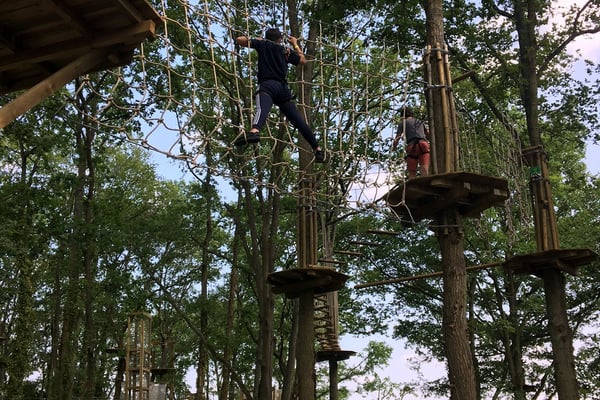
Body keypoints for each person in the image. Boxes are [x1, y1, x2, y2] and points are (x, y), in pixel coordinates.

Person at [235, 28, 325, 163]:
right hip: (282, 89)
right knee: (298, 121)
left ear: (267, 38)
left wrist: (257, 40)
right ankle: (317, 148)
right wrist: (295, 44)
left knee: (262, 109)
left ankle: (254, 131)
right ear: (279, 39)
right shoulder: (285, 50)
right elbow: (302, 60)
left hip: (267, 85)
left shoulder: (263, 44)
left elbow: (239, 40)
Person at [392, 107, 430, 179]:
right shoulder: (419, 121)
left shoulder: (402, 123)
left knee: (412, 172)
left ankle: (413, 183)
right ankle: (425, 182)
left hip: (412, 146)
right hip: (424, 144)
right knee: (424, 169)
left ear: (402, 115)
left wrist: (394, 147)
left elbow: (398, 137)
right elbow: (427, 134)